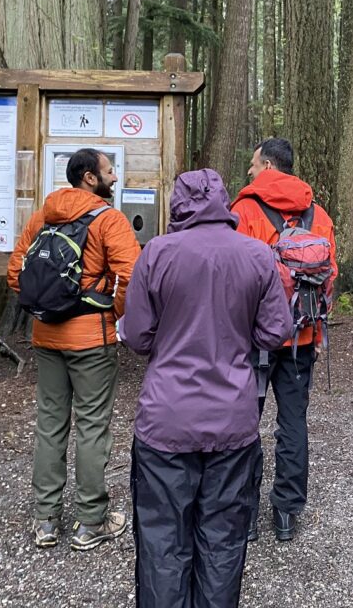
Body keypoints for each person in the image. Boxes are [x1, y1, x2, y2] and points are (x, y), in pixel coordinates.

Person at [118, 169, 291, 608]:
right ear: (223, 200)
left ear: (178, 204)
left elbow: (137, 337)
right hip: (232, 423)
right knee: (223, 542)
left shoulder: (156, 253)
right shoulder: (256, 255)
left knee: (162, 542)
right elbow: (277, 331)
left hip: (165, 423)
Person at [7, 148, 140, 551]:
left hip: (46, 338)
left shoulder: (42, 217)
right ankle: (90, 521)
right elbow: (132, 274)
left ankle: (46, 520)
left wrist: (46, 308)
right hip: (92, 341)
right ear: (88, 177)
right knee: (93, 426)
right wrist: (113, 314)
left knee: (50, 424)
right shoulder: (109, 220)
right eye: (109, 171)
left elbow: (16, 274)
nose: (115, 178)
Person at [231, 138, 338, 542]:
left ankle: (244, 510)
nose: (249, 171)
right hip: (302, 336)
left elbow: (233, 276)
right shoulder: (318, 213)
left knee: (243, 425)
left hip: (255, 338)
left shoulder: (243, 211)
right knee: (293, 423)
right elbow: (331, 271)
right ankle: (287, 514)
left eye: (254, 163)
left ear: (270, 166)